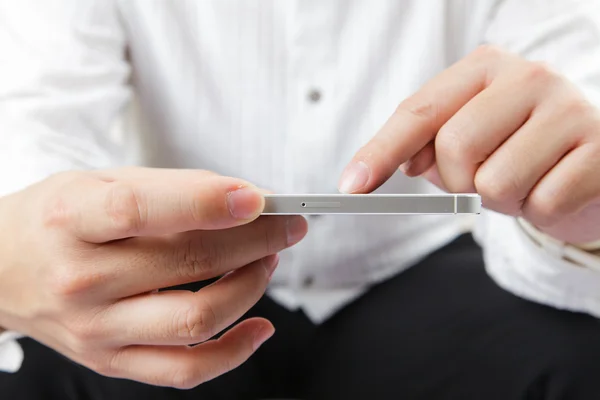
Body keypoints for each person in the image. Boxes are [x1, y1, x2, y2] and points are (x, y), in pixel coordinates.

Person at [1, 0, 600, 398]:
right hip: (187, 281)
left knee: (573, 347)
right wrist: (25, 256)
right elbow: (30, 130)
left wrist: (581, 207)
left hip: (430, 277)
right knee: (52, 361)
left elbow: (581, 92)